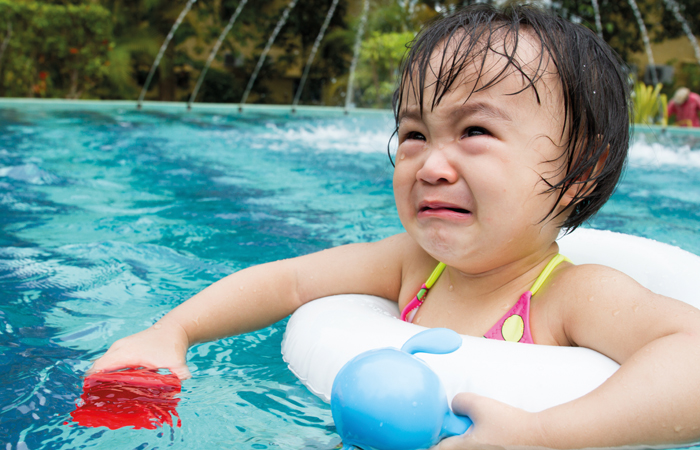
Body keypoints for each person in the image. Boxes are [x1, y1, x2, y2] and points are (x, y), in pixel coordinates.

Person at [90, 4, 700, 449]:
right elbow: (288, 282)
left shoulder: (573, 296)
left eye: (475, 131)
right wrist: (172, 332)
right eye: (414, 134)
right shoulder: (413, 265)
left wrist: (543, 434)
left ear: (578, 172)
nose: (430, 166)